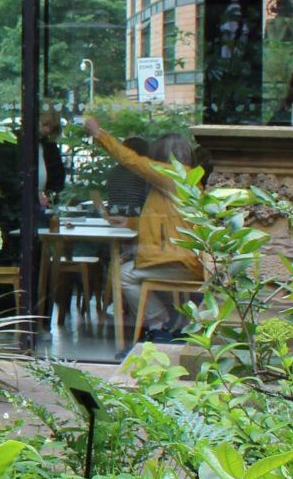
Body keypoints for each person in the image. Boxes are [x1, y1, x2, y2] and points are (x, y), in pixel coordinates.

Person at [84, 114, 204, 340]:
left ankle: (158, 324)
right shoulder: (187, 179)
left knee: (122, 274)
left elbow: (131, 161)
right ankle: (169, 323)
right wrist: (130, 222)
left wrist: (99, 135)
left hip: (179, 261)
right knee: (131, 272)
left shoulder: (171, 175)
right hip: (185, 259)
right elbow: (169, 219)